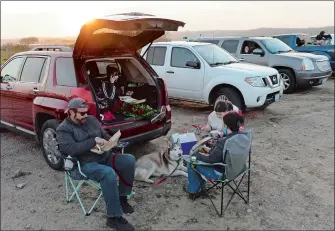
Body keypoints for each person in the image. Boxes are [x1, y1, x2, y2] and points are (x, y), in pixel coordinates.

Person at [56, 98, 135, 231]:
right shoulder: (63, 129)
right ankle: (113, 218)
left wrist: (109, 142)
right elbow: (71, 149)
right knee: (107, 173)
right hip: (84, 165)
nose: (85, 115)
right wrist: (93, 141)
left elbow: (103, 134)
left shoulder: (91, 120)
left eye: (86, 112)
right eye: (81, 113)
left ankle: (122, 198)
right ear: (71, 112)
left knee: (129, 160)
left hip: (104, 156)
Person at [185, 112, 245, 198]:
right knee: (203, 154)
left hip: (222, 173)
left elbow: (211, 159)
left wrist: (197, 155)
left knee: (191, 161)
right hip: (238, 169)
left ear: (226, 125)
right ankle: (200, 186)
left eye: (223, 123)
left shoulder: (224, 141)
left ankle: (195, 191)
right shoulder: (244, 137)